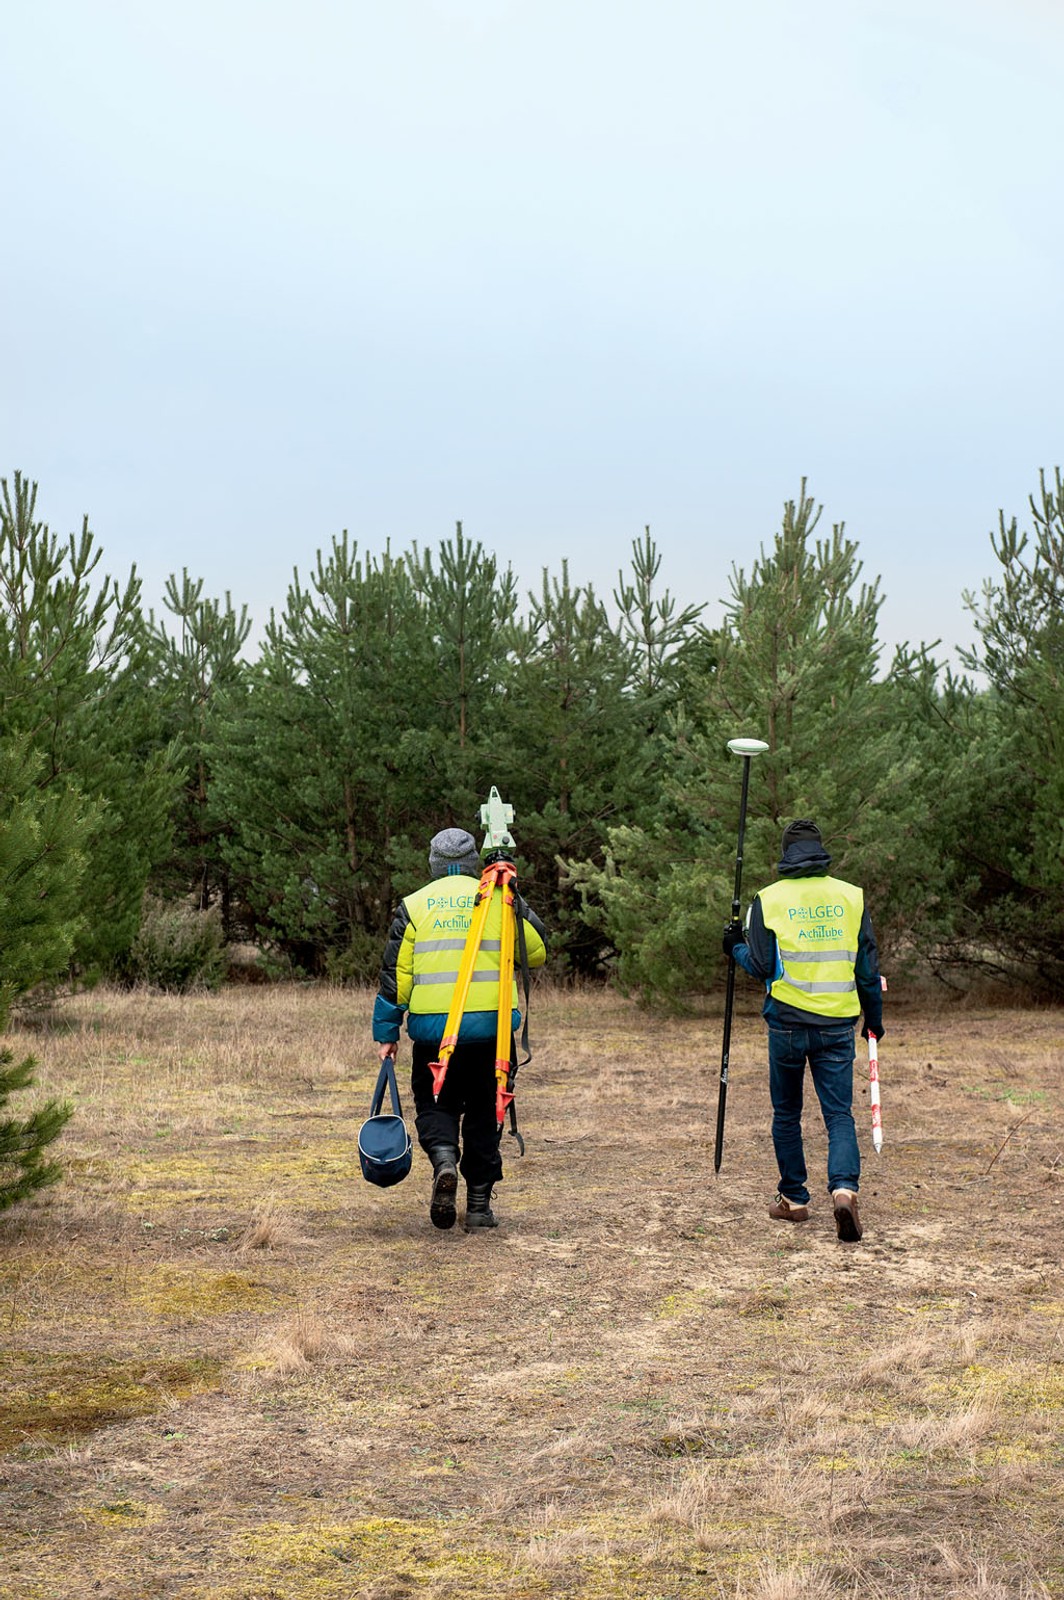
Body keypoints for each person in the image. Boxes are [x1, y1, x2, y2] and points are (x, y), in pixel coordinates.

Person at [373, 827, 547, 1233]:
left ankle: (445, 1160)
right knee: (487, 1113)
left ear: (433, 864)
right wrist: (513, 897)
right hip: (493, 1030)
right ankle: (480, 1207)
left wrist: (387, 1032)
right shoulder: (499, 899)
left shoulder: (414, 906)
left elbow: (394, 978)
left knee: (436, 1105)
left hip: (435, 1034)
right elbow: (535, 952)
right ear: (475, 863)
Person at [723, 819, 884, 1242]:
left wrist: (734, 944)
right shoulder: (851, 897)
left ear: (786, 854)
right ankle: (845, 1191)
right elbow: (867, 968)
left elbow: (759, 966)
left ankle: (793, 1199)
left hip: (787, 1024)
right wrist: (875, 1019)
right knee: (838, 1115)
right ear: (821, 851)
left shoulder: (768, 899)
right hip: (837, 1025)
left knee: (787, 1114)